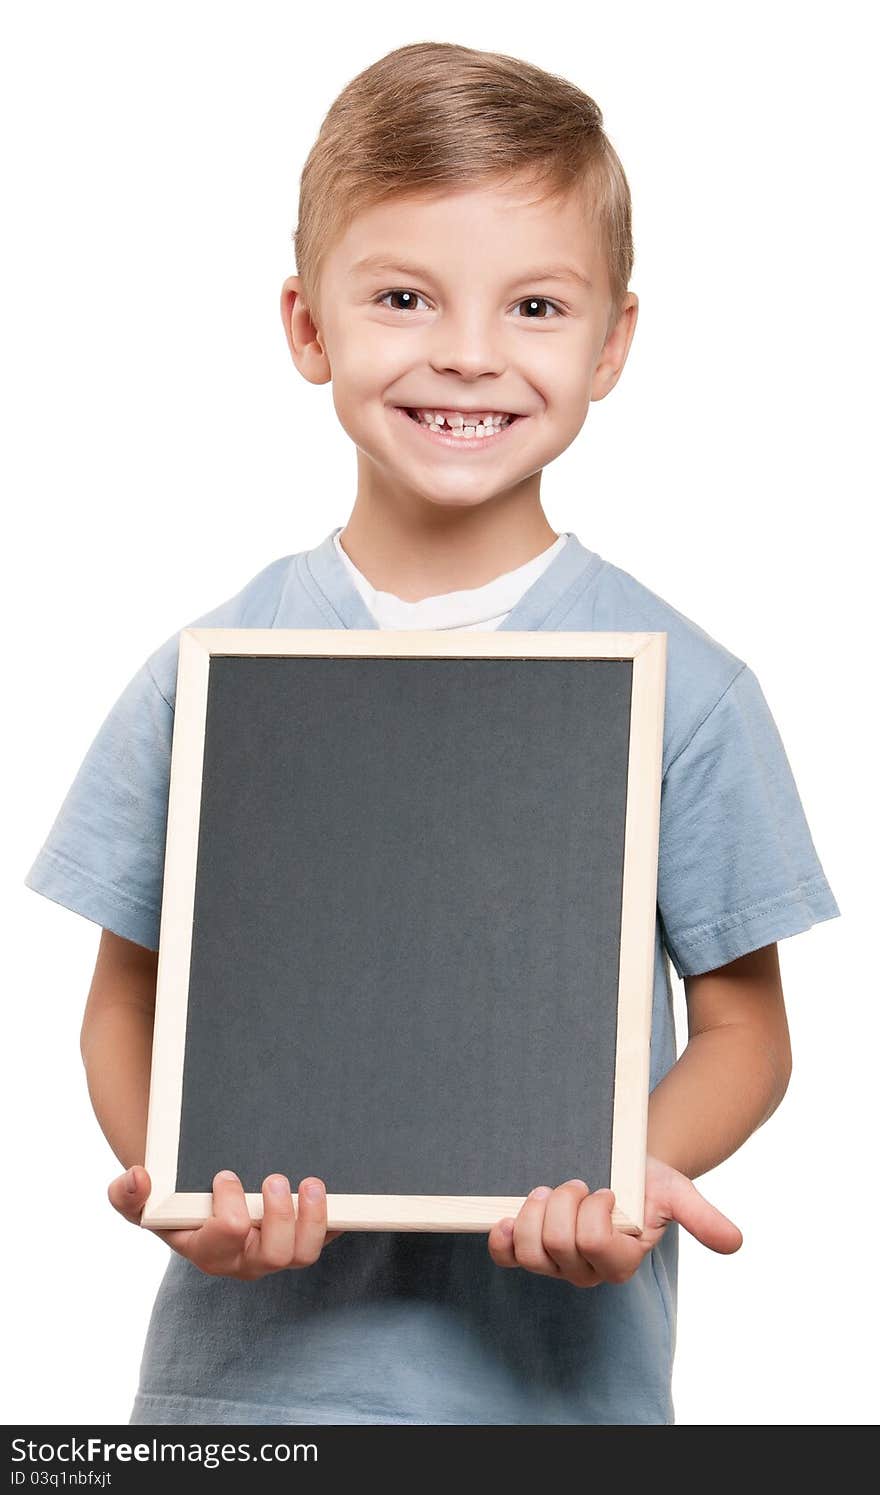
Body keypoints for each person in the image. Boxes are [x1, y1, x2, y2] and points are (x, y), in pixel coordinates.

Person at [23, 41, 840, 1426]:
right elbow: (128, 995)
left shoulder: (687, 686)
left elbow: (746, 1030)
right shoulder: (212, 670)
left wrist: (624, 1167)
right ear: (308, 326)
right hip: (247, 1404)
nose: (468, 351)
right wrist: (179, 1179)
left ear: (612, 345)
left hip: (549, 1402)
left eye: (534, 305)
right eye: (403, 297)